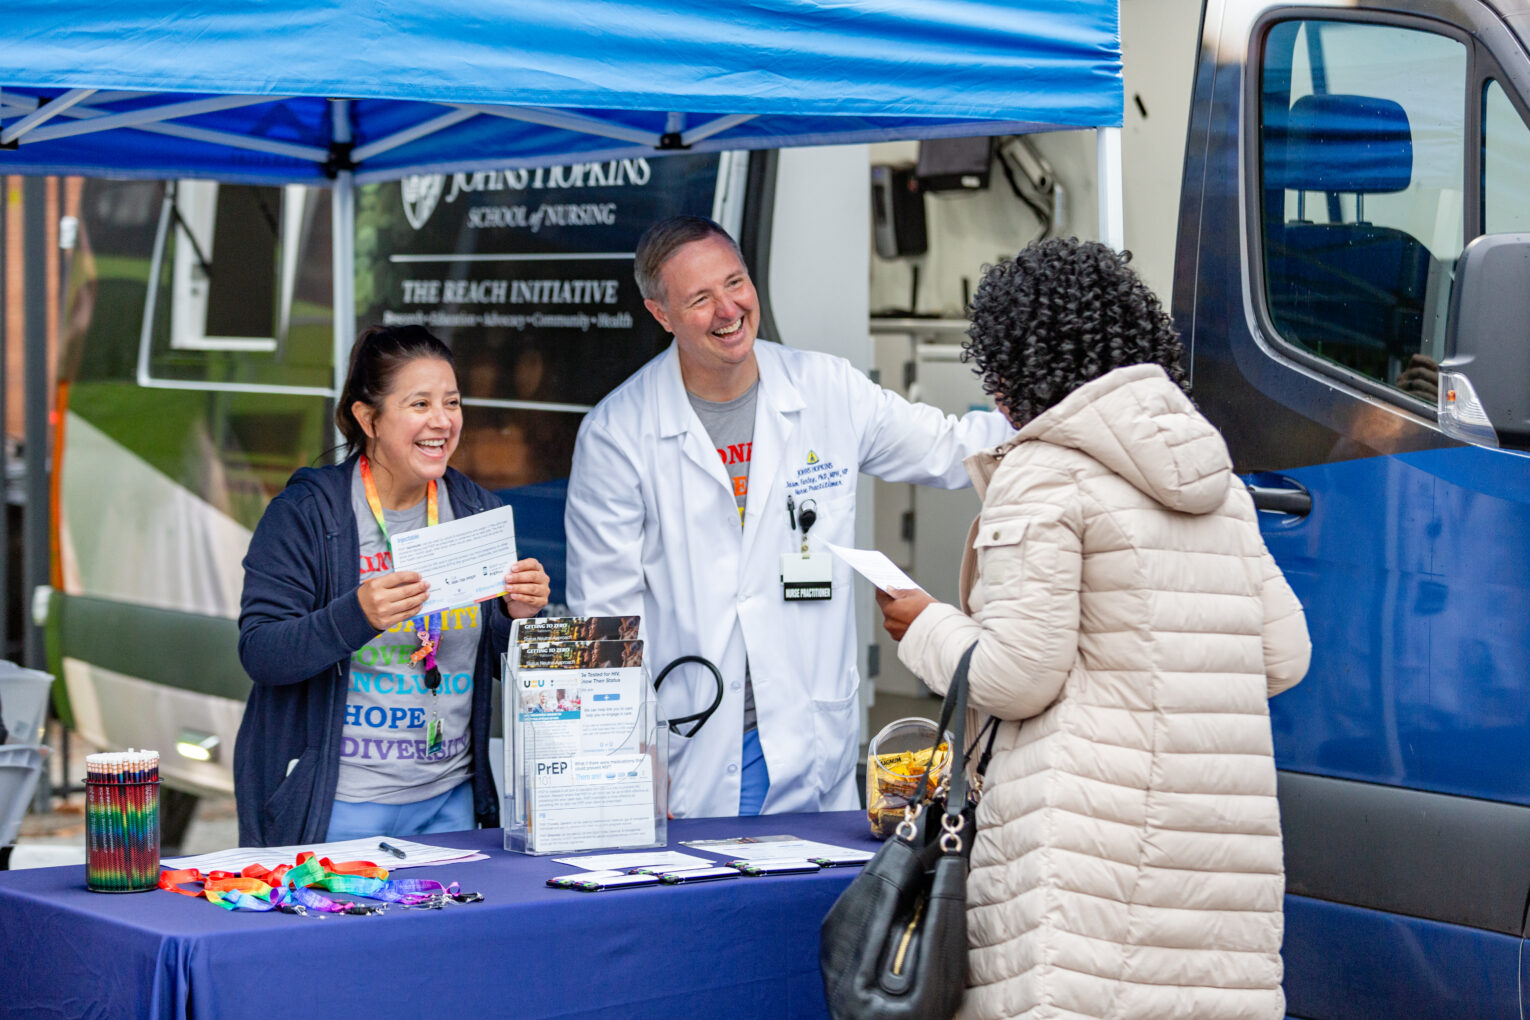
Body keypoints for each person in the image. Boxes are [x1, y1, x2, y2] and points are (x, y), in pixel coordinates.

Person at [875, 238, 1311, 1020]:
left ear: (1017, 365)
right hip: (1216, 860)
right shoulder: (1217, 481)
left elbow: (1017, 675)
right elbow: (1283, 656)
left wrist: (923, 623)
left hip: (1085, 856)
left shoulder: (1043, 473)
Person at [564, 215, 1013, 819]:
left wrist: (1060, 416)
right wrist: (627, 763)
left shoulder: (826, 388)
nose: (729, 309)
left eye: (736, 282)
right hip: (694, 748)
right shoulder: (619, 433)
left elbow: (949, 446)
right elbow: (607, 622)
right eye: (700, 298)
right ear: (661, 314)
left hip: (811, 739)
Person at [235, 324, 549, 847]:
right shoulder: (308, 515)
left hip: (451, 801)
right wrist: (354, 615)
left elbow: (509, 668)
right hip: (337, 806)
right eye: (419, 404)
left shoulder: (475, 512)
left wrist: (521, 617)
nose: (442, 421)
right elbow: (261, 652)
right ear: (368, 418)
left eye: (452, 402)